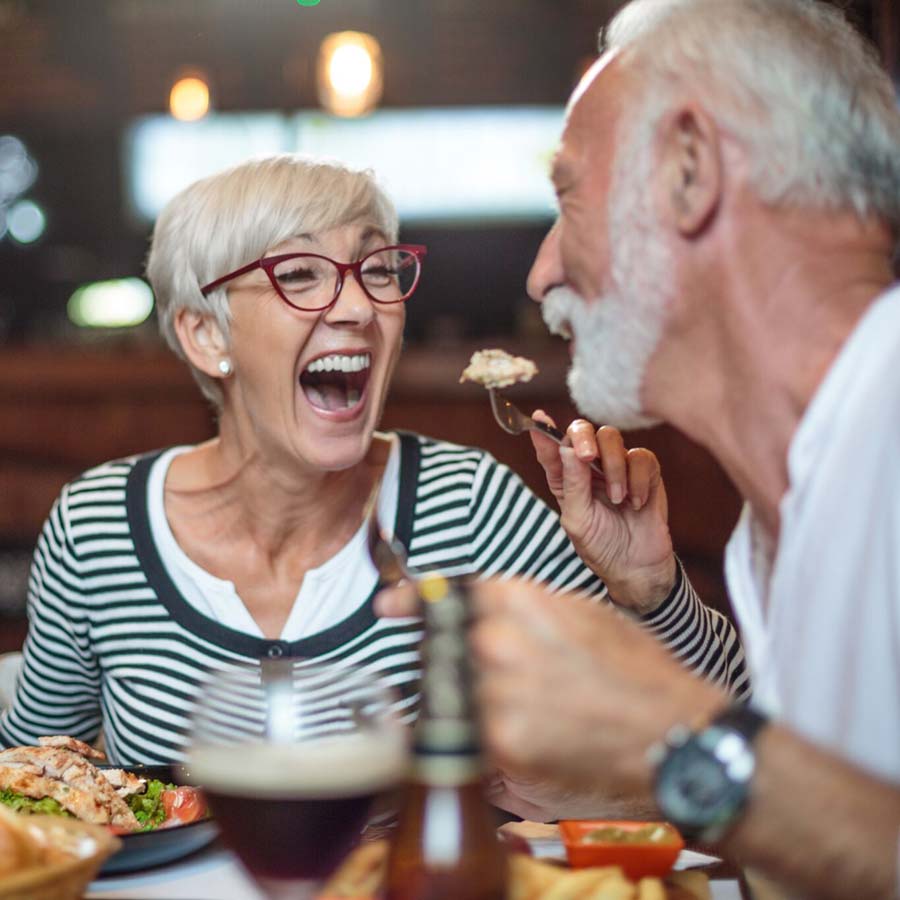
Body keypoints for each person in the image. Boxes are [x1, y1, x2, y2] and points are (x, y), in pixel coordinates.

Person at [0, 155, 746, 764]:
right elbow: (28, 774)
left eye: (378, 270)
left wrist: (651, 592)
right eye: (299, 275)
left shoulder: (470, 507)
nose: (358, 307)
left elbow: (725, 742)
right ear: (205, 335)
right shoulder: (99, 526)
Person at [407, 0, 900, 896]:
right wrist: (656, 597)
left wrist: (665, 732)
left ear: (688, 169)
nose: (541, 273)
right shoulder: (782, 507)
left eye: (568, 198)